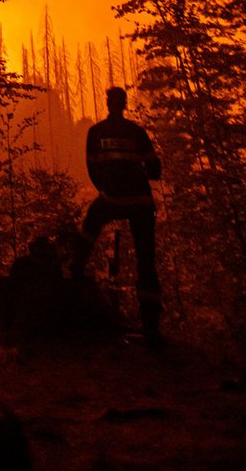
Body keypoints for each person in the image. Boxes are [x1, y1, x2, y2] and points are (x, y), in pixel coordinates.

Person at [70, 85, 163, 343]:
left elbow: (92, 168)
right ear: (124, 104)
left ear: (108, 103)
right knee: (146, 262)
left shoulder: (96, 133)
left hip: (112, 198)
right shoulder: (137, 132)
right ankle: (151, 326)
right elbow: (154, 168)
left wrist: (107, 190)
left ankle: (76, 268)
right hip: (141, 202)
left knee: (91, 222)